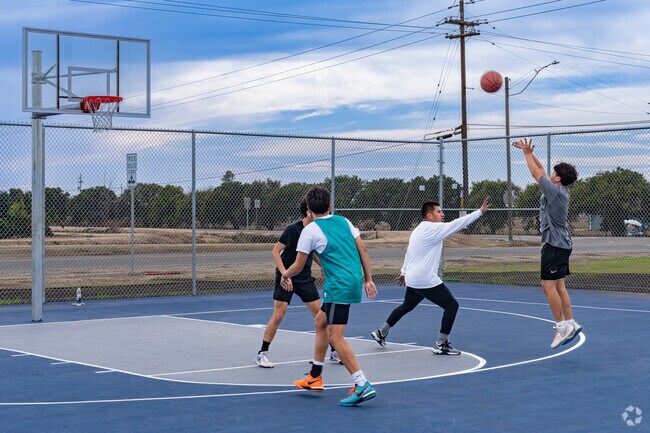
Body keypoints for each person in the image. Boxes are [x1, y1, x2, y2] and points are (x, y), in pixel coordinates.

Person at [281, 186, 378, 407]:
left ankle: (361, 383)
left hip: (339, 286)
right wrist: (368, 279)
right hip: (350, 281)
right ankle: (315, 376)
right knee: (320, 320)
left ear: (308, 210)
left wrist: (284, 275)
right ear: (330, 206)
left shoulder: (310, 231)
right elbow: (363, 250)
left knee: (336, 337)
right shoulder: (344, 222)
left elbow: (297, 265)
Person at [371, 197, 490, 355]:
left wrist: (404, 272)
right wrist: (479, 212)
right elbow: (457, 224)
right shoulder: (433, 229)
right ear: (429, 216)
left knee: (407, 306)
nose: (442, 214)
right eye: (439, 212)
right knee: (451, 306)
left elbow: (410, 253)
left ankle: (381, 332)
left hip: (414, 279)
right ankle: (441, 344)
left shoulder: (418, 230)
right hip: (424, 279)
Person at [513, 138, 582, 349]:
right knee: (559, 285)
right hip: (562, 244)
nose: (549, 174)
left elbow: (536, 174)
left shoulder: (555, 191)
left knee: (547, 285)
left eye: (553, 173)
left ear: (558, 178)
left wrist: (525, 154)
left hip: (554, 245)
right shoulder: (558, 189)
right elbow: (541, 169)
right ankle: (570, 322)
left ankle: (561, 327)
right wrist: (529, 152)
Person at [256, 198, 341, 368]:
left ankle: (333, 351)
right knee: (279, 314)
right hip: (286, 276)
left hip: (304, 278)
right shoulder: (293, 230)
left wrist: (324, 266)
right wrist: (283, 274)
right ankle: (262, 353)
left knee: (320, 316)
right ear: (308, 211)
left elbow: (313, 252)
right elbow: (275, 252)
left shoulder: (316, 230)